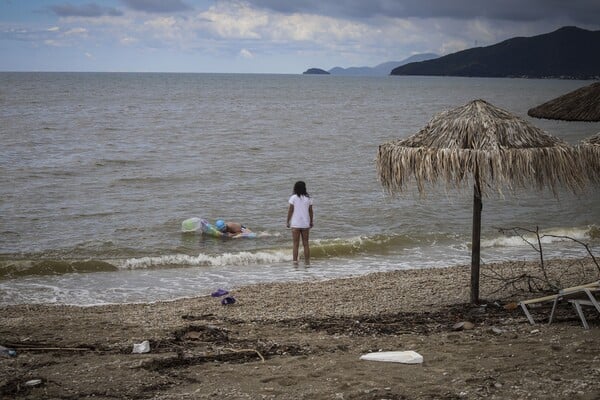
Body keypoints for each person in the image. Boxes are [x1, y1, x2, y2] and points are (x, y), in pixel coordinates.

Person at [286, 181, 313, 265]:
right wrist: (311, 221)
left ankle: (295, 261)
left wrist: (287, 221)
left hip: (295, 224)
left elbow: (290, 210)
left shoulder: (293, 198)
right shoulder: (308, 198)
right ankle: (307, 261)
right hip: (305, 223)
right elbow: (311, 211)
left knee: (295, 244)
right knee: (306, 244)